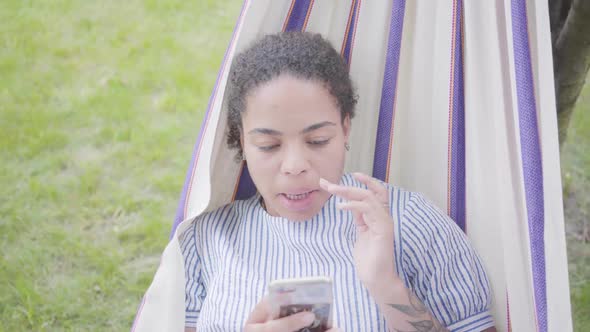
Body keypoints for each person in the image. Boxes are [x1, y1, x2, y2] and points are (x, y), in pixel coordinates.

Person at [181, 32, 496, 332]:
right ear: (241, 141)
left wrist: (387, 286)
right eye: (269, 146)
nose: (295, 167)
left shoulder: (408, 221)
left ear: (345, 129)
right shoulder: (207, 240)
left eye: (318, 140)